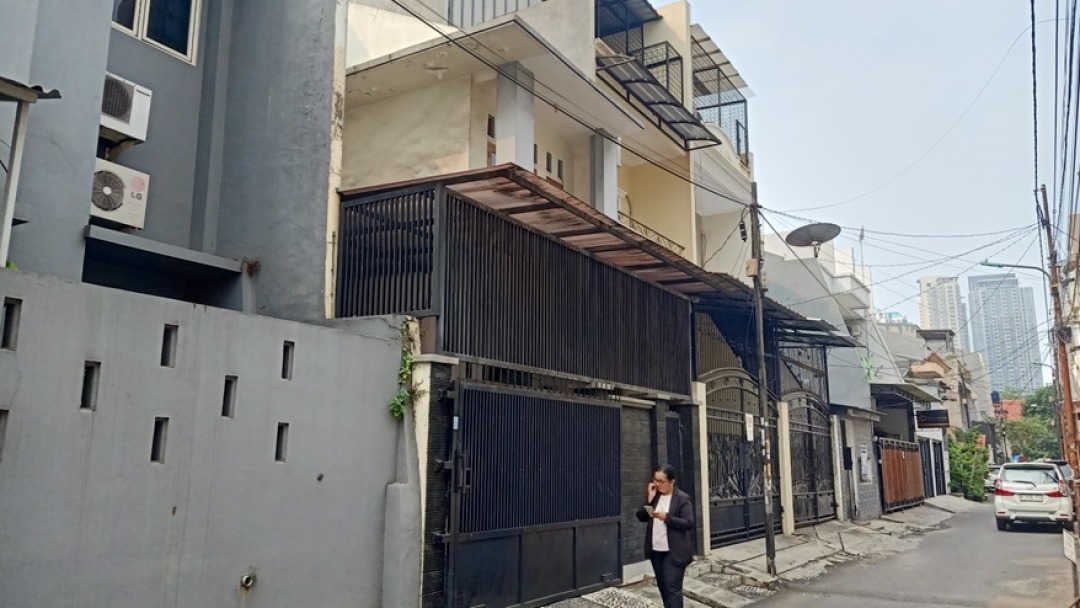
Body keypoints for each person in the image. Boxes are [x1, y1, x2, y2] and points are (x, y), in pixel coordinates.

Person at [636, 464, 695, 608]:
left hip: (674, 552)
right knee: (663, 587)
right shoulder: (655, 497)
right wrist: (649, 501)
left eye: (661, 481)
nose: (657, 484)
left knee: (672, 589)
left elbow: (688, 523)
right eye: (655, 480)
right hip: (656, 551)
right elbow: (641, 517)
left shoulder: (682, 499)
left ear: (671, 481)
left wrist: (666, 518)